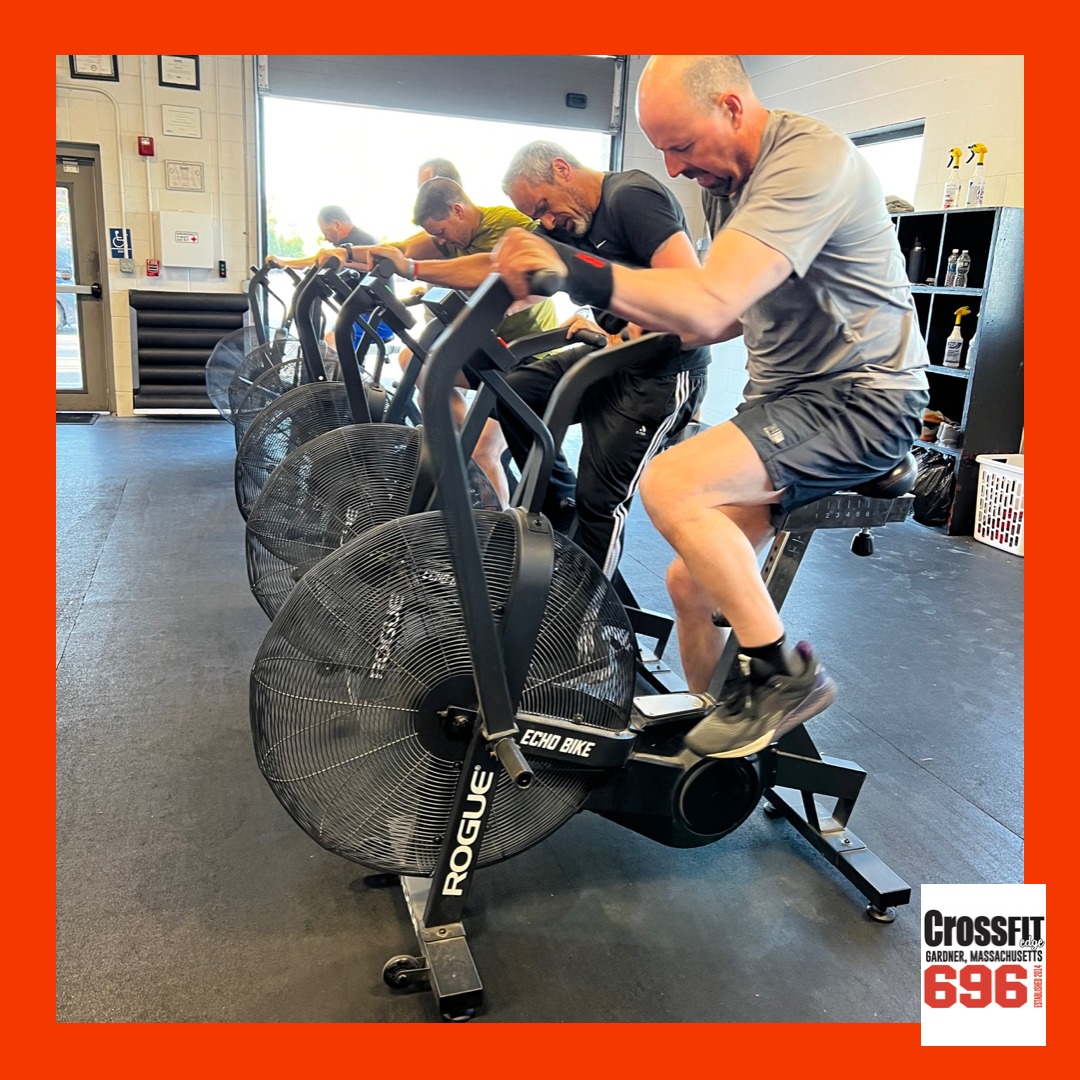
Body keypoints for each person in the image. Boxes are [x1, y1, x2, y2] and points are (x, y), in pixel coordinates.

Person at [492, 55, 930, 760]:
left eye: (681, 146)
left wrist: (578, 271)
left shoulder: (808, 160)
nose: (672, 168)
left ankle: (783, 674)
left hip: (864, 397)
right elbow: (718, 318)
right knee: (688, 582)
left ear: (731, 107)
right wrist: (622, 325)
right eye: (663, 150)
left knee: (671, 482)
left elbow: (710, 301)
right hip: (789, 402)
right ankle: (719, 749)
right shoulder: (727, 180)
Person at [498, 140, 710, 579]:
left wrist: (630, 329)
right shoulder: (564, 225)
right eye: (536, 216)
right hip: (612, 358)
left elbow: (687, 287)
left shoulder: (629, 196)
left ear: (562, 169)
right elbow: (501, 272)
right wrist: (409, 268)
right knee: (513, 392)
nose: (546, 222)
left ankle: (585, 611)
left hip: (662, 371)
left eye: (543, 207)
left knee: (601, 500)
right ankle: (562, 512)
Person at [323, 178, 558, 504]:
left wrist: (416, 269)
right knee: (419, 367)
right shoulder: (451, 236)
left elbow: (494, 268)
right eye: (437, 236)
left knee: (482, 449)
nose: (442, 241)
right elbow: (401, 250)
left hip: (529, 355)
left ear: (458, 210)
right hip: (489, 349)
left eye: (442, 232)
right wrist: (344, 253)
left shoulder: (507, 225)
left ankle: (498, 526)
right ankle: (463, 442)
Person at [265, 205, 377, 270]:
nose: (326, 239)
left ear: (337, 225)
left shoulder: (358, 242)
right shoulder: (353, 240)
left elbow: (324, 261)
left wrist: (284, 262)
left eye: (326, 233)